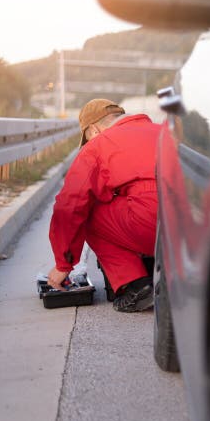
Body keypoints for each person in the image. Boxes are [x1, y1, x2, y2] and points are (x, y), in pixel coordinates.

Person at [47, 99, 160, 312]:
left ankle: (135, 285)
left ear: (93, 129)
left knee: (90, 211)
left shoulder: (99, 145)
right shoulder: (164, 131)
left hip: (154, 224)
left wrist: (63, 264)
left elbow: (69, 205)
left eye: (87, 138)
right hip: (196, 224)